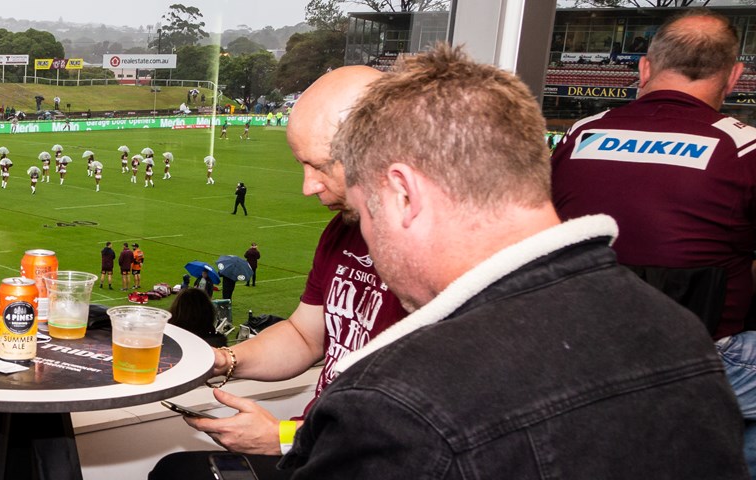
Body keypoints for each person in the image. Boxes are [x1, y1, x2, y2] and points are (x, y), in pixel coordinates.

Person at [284, 43, 744, 478]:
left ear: (405, 195)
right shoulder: (681, 333)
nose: (365, 234)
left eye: (364, 212)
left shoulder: (395, 403)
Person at [152, 66, 410, 473]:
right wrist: (221, 359)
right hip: (318, 450)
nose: (308, 186)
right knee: (176, 471)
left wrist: (284, 438)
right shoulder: (342, 230)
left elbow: (418, 423)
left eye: (320, 166)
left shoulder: (436, 264)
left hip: (364, 462)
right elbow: (305, 336)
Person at [553, 10, 756, 340]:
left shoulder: (580, 134)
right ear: (734, 77)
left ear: (644, 69)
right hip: (701, 349)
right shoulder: (745, 148)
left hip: (579, 338)